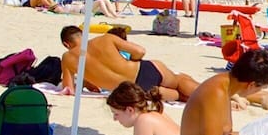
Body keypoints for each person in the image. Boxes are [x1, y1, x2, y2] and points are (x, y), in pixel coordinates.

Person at [58, 26, 198, 102]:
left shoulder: (67, 58)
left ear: (66, 44)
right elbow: (140, 51)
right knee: (179, 80)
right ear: (82, 35)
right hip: (143, 70)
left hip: (133, 91)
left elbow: (69, 89)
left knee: (179, 95)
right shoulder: (105, 39)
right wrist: (130, 61)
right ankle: (212, 96)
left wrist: (87, 81)